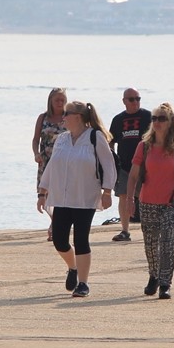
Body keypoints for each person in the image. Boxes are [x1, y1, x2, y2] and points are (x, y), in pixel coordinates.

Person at [37, 101, 117, 298]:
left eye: (67, 114)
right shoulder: (62, 139)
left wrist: (107, 192)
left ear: (78, 117)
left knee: (81, 239)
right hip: (61, 198)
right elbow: (51, 165)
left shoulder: (94, 137)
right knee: (59, 240)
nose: (63, 117)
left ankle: (83, 283)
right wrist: (42, 191)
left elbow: (109, 165)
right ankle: (73, 267)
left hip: (85, 196)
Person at [129, 103, 174, 299]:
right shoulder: (143, 147)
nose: (157, 122)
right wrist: (129, 200)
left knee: (168, 244)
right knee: (151, 245)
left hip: (172, 202)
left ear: (170, 123)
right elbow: (133, 176)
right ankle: (153, 275)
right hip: (147, 202)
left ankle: (165, 283)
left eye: (161, 119)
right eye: (154, 118)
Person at [109, 88, 151, 242]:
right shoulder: (118, 120)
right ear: (124, 101)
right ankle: (125, 230)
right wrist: (112, 160)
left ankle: (149, 230)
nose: (135, 102)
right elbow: (110, 141)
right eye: (131, 99)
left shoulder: (148, 116)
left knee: (145, 197)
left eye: (138, 98)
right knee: (123, 196)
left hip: (145, 165)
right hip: (125, 165)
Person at [32, 88, 68, 240]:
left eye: (62, 100)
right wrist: (36, 154)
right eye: (57, 100)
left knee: (61, 194)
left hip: (65, 161)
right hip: (46, 160)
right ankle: (55, 220)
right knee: (44, 194)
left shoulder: (69, 117)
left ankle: (56, 226)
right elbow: (35, 140)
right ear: (51, 102)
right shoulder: (43, 117)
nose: (60, 103)